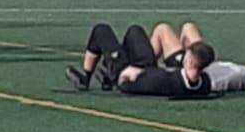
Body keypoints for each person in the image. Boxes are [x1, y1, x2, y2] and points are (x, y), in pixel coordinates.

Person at [66, 23, 215, 98]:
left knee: (101, 30)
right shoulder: (204, 82)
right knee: (135, 31)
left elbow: (146, 84)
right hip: (147, 69)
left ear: (189, 62)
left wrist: (128, 75)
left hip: (128, 77)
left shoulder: (165, 80)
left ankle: (86, 77)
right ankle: (107, 72)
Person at [150, 21, 245, 95]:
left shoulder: (239, 81)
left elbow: (212, 84)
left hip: (192, 67)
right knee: (188, 27)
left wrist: (187, 68)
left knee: (163, 29)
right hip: (200, 62)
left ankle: (144, 67)